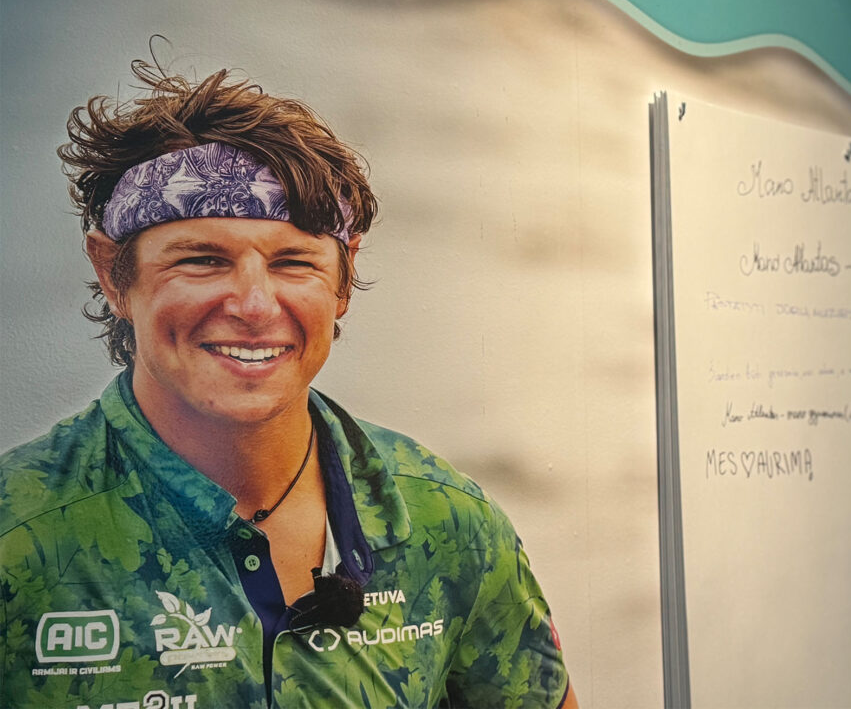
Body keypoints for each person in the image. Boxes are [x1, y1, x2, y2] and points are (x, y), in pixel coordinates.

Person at [0, 62, 576, 709]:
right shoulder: (18, 535)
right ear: (114, 274)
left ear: (343, 279)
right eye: (202, 260)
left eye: (294, 262)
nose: (253, 305)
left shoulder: (450, 523)